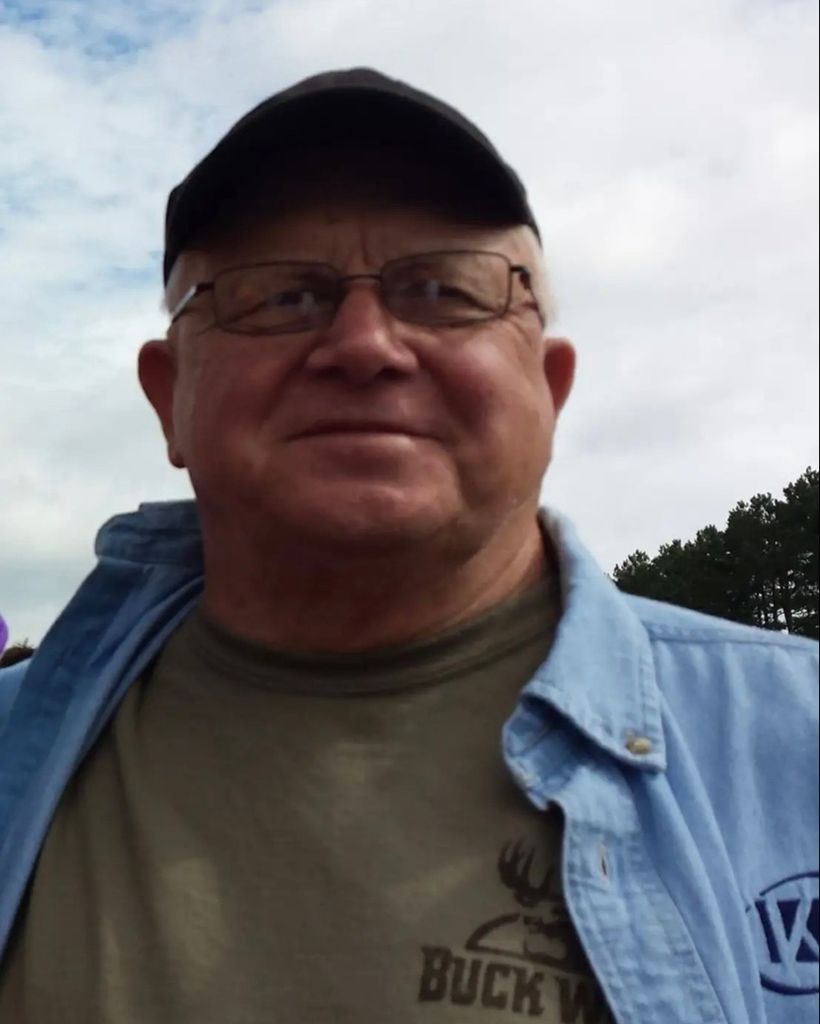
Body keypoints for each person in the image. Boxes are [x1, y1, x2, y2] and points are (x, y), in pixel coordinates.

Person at [0, 68, 816, 1024]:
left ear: (550, 389)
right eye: (279, 297)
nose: (365, 345)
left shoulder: (797, 742)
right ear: (166, 395)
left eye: (443, 291)